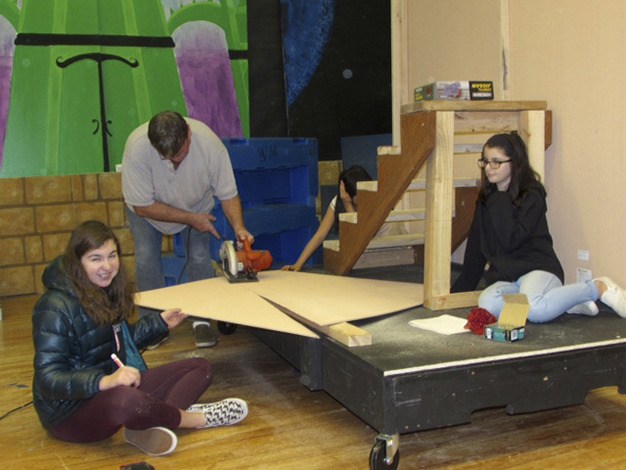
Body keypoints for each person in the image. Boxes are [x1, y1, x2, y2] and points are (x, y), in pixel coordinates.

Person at [32, 220, 248, 457]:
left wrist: (160, 323)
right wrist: (103, 382)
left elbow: (119, 341)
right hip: (69, 413)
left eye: (112, 255)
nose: (107, 266)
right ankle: (195, 419)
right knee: (126, 399)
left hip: (111, 387)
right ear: (77, 262)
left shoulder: (104, 289)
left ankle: (146, 424)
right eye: (95, 258)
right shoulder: (53, 306)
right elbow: (48, 378)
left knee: (201, 367)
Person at [451, 132, 626, 322]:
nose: (488, 168)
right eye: (485, 161)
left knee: (535, 309)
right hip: (510, 279)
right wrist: (455, 295)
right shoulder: (487, 199)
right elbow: (476, 248)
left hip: (539, 270)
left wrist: (499, 199)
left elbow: (511, 239)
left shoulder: (531, 195)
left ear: (514, 163)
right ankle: (567, 302)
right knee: (487, 303)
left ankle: (597, 287)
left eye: (496, 162)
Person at [122, 110, 254, 348]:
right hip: (147, 211)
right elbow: (141, 207)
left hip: (198, 205)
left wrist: (239, 228)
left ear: (189, 135)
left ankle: (201, 321)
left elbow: (228, 194)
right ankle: (151, 325)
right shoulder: (137, 148)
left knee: (200, 257)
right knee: (145, 259)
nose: (175, 161)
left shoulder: (211, 146)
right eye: (168, 158)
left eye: (181, 154)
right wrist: (190, 218)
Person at [282, 164, 404, 271]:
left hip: (391, 245)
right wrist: (298, 264)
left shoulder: (376, 200)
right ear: (347, 194)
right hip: (368, 250)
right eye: (357, 195)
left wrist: (348, 207)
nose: (361, 197)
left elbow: (362, 236)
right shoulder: (339, 201)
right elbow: (320, 235)